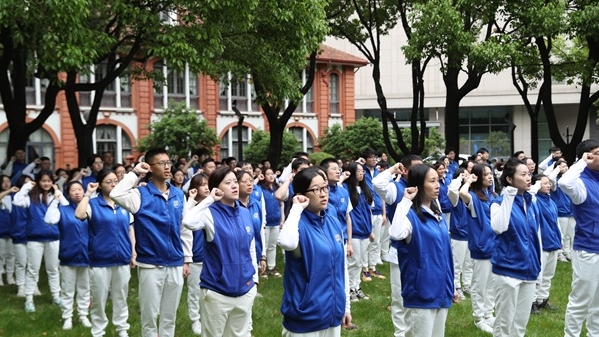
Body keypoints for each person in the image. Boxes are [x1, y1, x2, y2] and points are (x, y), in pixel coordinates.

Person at [110, 148, 192, 337]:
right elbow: (116, 194)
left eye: (168, 163)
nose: (167, 167)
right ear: (150, 167)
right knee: (149, 318)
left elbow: (184, 229)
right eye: (161, 163)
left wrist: (186, 258)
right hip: (150, 264)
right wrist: (136, 173)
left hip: (175, 263)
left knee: (169, 317)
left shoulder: (178, 195)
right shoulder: (140, 194)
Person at [182, 166, 258, 337]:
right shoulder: (209, 213)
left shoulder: (245, 213)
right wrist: (209, 199)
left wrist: (254, 280)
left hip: (245, 290)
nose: (234, 186)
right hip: (217, 292)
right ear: (217, 188)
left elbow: (250, 247)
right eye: (228, 183)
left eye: (235, 182)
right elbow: (188, 222)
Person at [278, 166, 352, 336]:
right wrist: (297, 208)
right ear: (301, 195)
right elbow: (286, 242)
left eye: (325, 187)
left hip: (333, 313)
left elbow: (342, 268)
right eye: (316, 189)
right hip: (305, 318)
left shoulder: (332, 221)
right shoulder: (297, 225)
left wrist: (345, 306)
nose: (323, 193)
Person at [389, 164, 455, 337]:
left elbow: (445, 255)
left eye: (438, 180)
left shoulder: (437, 215)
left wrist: (450, 285)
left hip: (441, 292)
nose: (437, 185)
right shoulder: (410, 216)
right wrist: (405, 201)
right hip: (421, 294)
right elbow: (395, 233)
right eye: (432, 181)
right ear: (418, 185)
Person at [75, 169, 133, 337]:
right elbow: (79, 214)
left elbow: (130, 229)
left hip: (122, 258)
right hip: (100, 260)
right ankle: (98, 331)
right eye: (109, 181)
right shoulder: (93, 204)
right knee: (99, 299)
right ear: (100, 185)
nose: (114, 184)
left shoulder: (123, 203)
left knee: (121, 297)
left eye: (116, 181)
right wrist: (87, 194)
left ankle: (122, 329)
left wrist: (133, 253)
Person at [490, 158, 541, 337]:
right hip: (507, 272)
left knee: (520, 324)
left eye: (529, 174)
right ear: (510, 179)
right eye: (523, 174)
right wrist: (509, 195)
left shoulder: (531, 202)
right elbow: (499, 227)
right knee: (504, 324)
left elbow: (535, 238)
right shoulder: (498, 202)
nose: (529, 178)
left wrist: (537, 269)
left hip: (529, 271)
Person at [372, 155, 422, 337]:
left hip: (421, 248)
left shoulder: (425, 189)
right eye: (416, 168)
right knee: (400, 296)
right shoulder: (396, 188)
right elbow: (377, 183)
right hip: (400, 249)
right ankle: (401, 333)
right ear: (405, 170)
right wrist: (393, 169)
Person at [559, 139, 599, 337]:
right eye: (597, 153)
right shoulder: (581, 183)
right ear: (588, 156)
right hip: (588, 250)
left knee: (598, 303)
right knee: (581, 300)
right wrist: (581, 162)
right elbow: (563, 182)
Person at [44, 181, 92, 330]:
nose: (77, 192)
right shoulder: (63, 210)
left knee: (85, 288)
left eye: (79, 189)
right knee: (67, 289)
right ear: (68, 193)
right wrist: (56, 200)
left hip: (87, 254)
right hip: (68, 254)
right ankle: (67, 317)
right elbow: (49, 220)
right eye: (73, 190)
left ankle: (83, 315)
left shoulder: (90, 208)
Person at [13, 170, 62, 312]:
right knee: (33, 269)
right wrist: (26, 186)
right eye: (43, 181)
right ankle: (29, 300)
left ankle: (56, 296)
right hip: (35, 238)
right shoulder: (30, 198)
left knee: (53, 269)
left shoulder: (56, 196)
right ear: (38, 182)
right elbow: (16, 201)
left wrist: (58, 193)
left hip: (53, 237)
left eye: (49, 181)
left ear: (52, 182)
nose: (46, 183)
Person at [458, 163, 497, 333]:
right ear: (478, 177)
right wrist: (469, 180)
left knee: (491, 285)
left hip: (494, 247)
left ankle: (489, 314)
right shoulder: (473, 198)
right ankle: (478, 317)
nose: (490, 176)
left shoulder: (493, 196)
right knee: (480, 285)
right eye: (486, 174)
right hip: (481, 248)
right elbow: (462, 193)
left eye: (491, 173)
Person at [183, 173, 210, 335]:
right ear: (195, 188)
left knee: (209, 293)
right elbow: (184, 223)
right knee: (194, 291)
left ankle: (207, 318)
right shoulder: (190, 206)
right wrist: (191, 201)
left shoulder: (213, 205)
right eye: (202, 184)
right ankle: (195, 319)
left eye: (208, 183)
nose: (206, 187)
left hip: (211, 257)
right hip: (195, 257)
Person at [529, 173, 560, 314]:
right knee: (538, 275)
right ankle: (532, 301)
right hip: (543, 244)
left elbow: (556, 223)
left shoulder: (551, 201)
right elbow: (531, 194)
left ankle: (543, 299)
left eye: (549, 183)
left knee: (548, 275)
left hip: (553, 243)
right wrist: (535, 186)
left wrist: (559, 239)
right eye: (544, 183)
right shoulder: (534, 201)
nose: (549, 185)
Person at [344, 162, 373, 300]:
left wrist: (370, 230)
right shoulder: (346, 189)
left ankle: (357, 287)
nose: (361, 173)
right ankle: (349, 288)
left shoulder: (365, 189)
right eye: (359, 171)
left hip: (365, 232)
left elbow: (369, 211)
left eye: (363, 171)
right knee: (353, 261)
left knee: (360, 261)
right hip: (354, 232)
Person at [360, 148, 386, 280]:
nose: (374, 159)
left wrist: (384, 213)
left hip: (378, 211)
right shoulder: (361, 171)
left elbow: (382, 192)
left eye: (375, 157)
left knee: (376, 240)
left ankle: (373, 267)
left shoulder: (378, 172)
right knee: (367, 241)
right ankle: (364, 269)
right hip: (366, 210)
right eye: (371, 157)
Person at [447, 168, 473, 301]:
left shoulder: (470, 195)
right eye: (465, 176)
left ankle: (467, 285)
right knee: (457, 263)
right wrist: (459, 179)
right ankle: (455, 286)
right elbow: (451, 190)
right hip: (459, 234)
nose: (467, 178)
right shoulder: (456, 197)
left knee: (469, 263)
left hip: (471, 234)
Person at [259, 167, 284, 278]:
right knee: (264, 245)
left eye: (272, 173)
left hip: (276, 220)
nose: (271, 176)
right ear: (263, 175)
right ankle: (262, 268)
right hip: (265, 222)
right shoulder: (260, 189)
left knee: (272, 245)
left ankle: (271, 267)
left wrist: (282, 219)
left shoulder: (277, 188)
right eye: (268, 174)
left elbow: (281, 204)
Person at [550, 158, 575, 262]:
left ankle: (567, 252)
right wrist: (557, 170)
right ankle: (560, 253)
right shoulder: (555, 182)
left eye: (566, 166)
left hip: (571, 211)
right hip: (561, 212)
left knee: (570, 234)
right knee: (561, 234)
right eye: (562, 167)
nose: (565, 168)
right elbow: (551, 178)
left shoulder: (569, 181)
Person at [0, 175, 17, 287]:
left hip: (12, 230)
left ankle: (10, 276)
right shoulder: (3, 196)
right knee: (1, 254)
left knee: (11, 254)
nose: (6, 183)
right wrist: (9, 190)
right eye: (3, 182)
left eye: (8, 181)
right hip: (1, 230)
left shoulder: (14, 196)